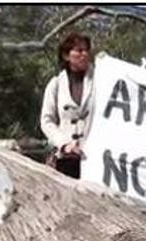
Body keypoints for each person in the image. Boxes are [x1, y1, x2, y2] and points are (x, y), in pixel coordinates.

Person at [40, 32, 94, 179]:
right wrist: (64, 144)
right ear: (66, 55)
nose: (84, 54)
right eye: (79, 50)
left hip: (92, 160)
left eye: (86, 50)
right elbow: (47, 121)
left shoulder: (99, 82)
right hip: (64, 159)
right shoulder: (55, 84)